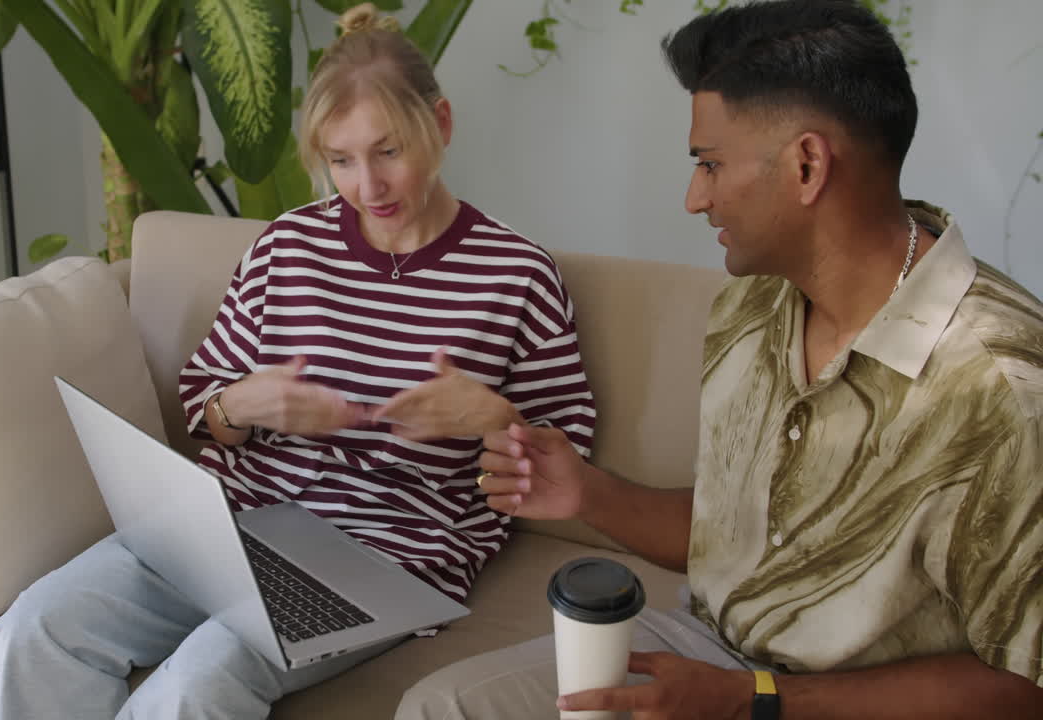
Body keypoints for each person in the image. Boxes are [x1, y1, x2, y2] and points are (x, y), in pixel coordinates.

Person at [395, 1, 1043, 718]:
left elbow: (1024, 683)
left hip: (844, 705)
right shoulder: (753, 307)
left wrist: (756, 700)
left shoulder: (1002, 387)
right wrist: (585, 490)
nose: (693, 198)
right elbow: (736, 536)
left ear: (806, 164)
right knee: (441, 708)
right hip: (710, 652)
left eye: (709, 164)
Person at [0, 4, 596, 719]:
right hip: (229, 528)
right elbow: (209, 408)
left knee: (202, 678)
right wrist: (243, 405)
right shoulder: (286, 246)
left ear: (440, 125)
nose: (368, 186)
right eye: (342, 160)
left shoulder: (517, 275)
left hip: (387, 555)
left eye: (389, 151)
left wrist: (492, 417)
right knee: (28, 631)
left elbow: (567, 466)